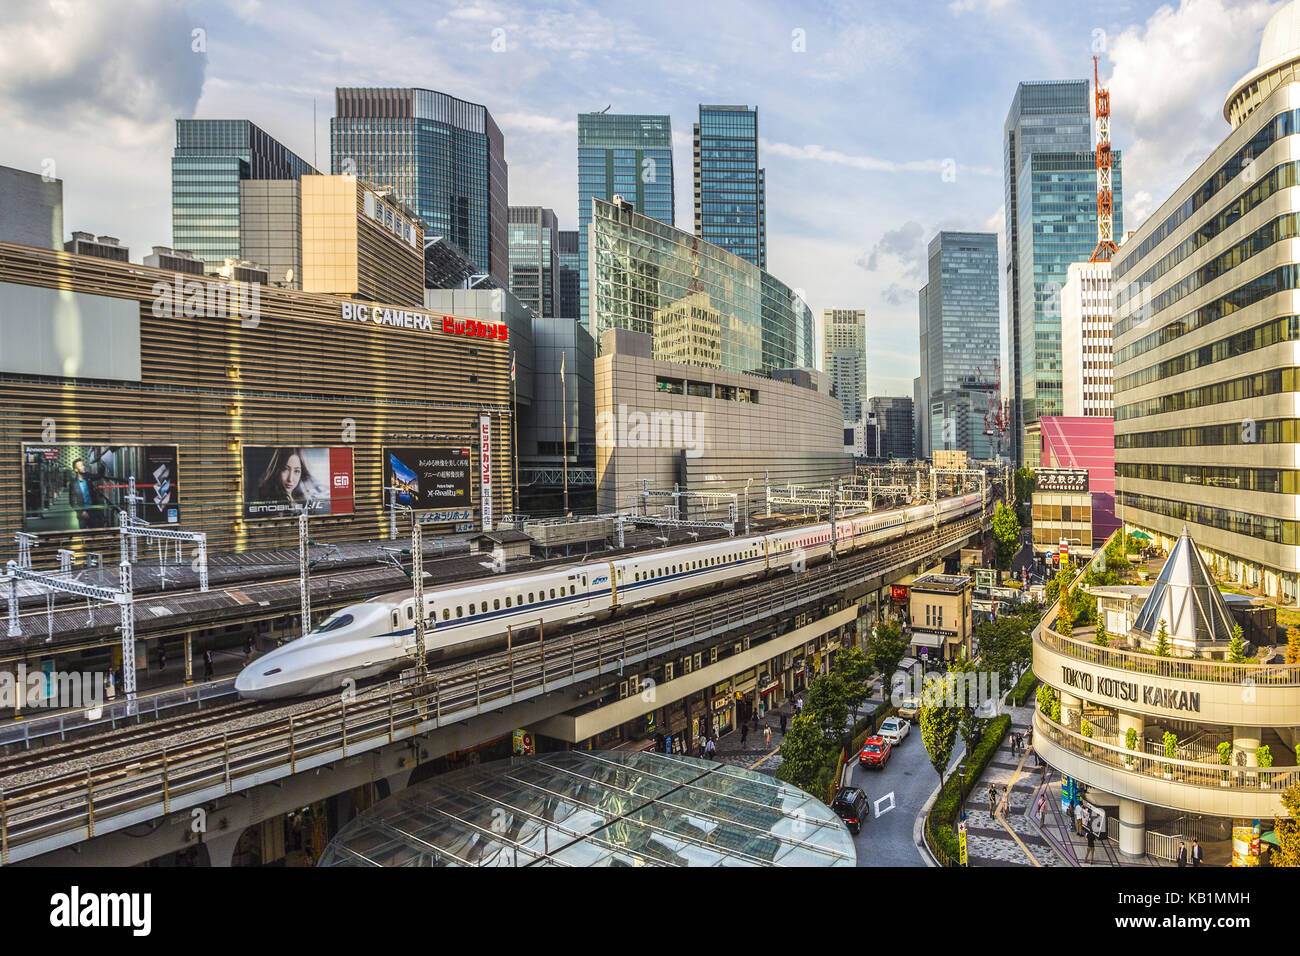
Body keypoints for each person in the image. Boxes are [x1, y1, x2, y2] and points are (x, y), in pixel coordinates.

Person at [254, 447, 318, 515]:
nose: (290, 479)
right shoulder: (270, 501)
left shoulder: (301, 496)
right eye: (285, 469)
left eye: (296, 471)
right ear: (277, 470)